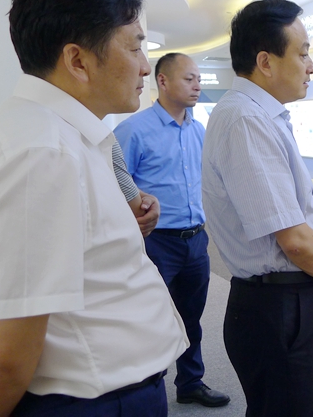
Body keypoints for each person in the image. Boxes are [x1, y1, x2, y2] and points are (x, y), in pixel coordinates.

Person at [0, 0, 188, 416]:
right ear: (77, 60)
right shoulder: (41, 153)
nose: (146, 66)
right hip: (92, 403)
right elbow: (3, 357)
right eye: (134, 47)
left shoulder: (66, 137)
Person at [201, 0, 313, 417]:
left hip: (289, 298)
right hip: (278, 307)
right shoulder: (245, 120)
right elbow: (292, 240)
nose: (311, 66)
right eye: (303, 53)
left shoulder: (261, 116)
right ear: (265, 62)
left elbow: (299, 216)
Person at [114, 53, 230, 408]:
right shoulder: (134, 130)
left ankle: (190, 382)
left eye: (199, 80)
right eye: (189, 79)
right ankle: (145, 388)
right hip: (155, 242)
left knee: (190, 317)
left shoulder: (198, 130)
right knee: (149, 318)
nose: (197, 86)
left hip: (195, 240)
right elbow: (114, 182)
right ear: (162, 81)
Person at [113, 138, 160, 237]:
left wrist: (145, 196)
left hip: (192, 233)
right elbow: (121, 183)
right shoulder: (130, 131)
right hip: (145, 229)